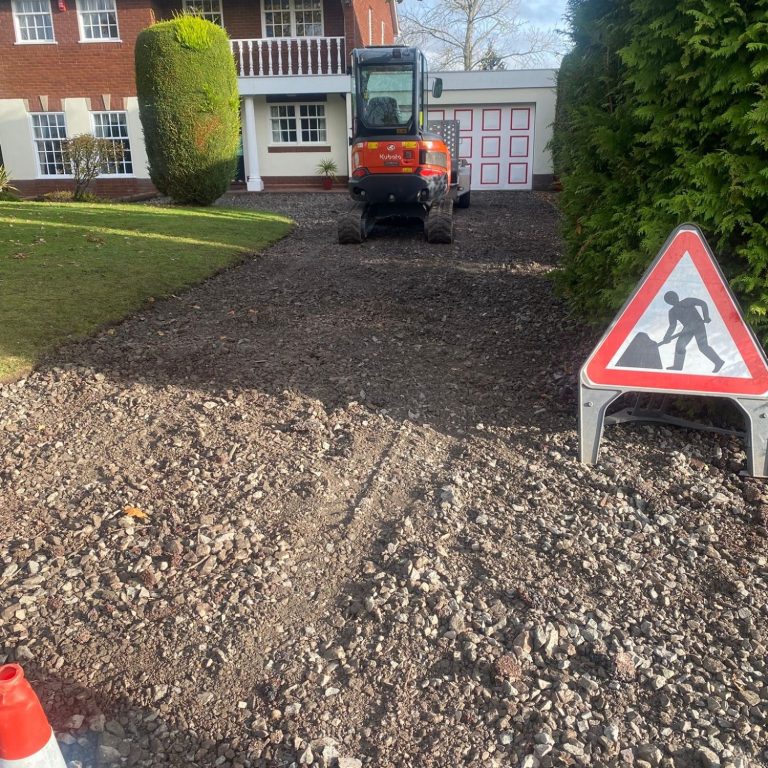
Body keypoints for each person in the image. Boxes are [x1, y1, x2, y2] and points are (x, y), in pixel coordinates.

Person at [660, 291, 724, 372]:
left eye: (673, 297)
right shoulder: (672, 312)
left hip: (698, 325)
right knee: (679, 346)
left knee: (703, 347)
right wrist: (667, 336)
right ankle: (677, 366)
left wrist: (706, 316)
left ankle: (719, 362)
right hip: (687, 329)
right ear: (668, 302)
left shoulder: (688, 301)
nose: (672, 300)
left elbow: (703, 303)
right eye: (669, 299)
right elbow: (672, 326)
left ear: (677, 296)